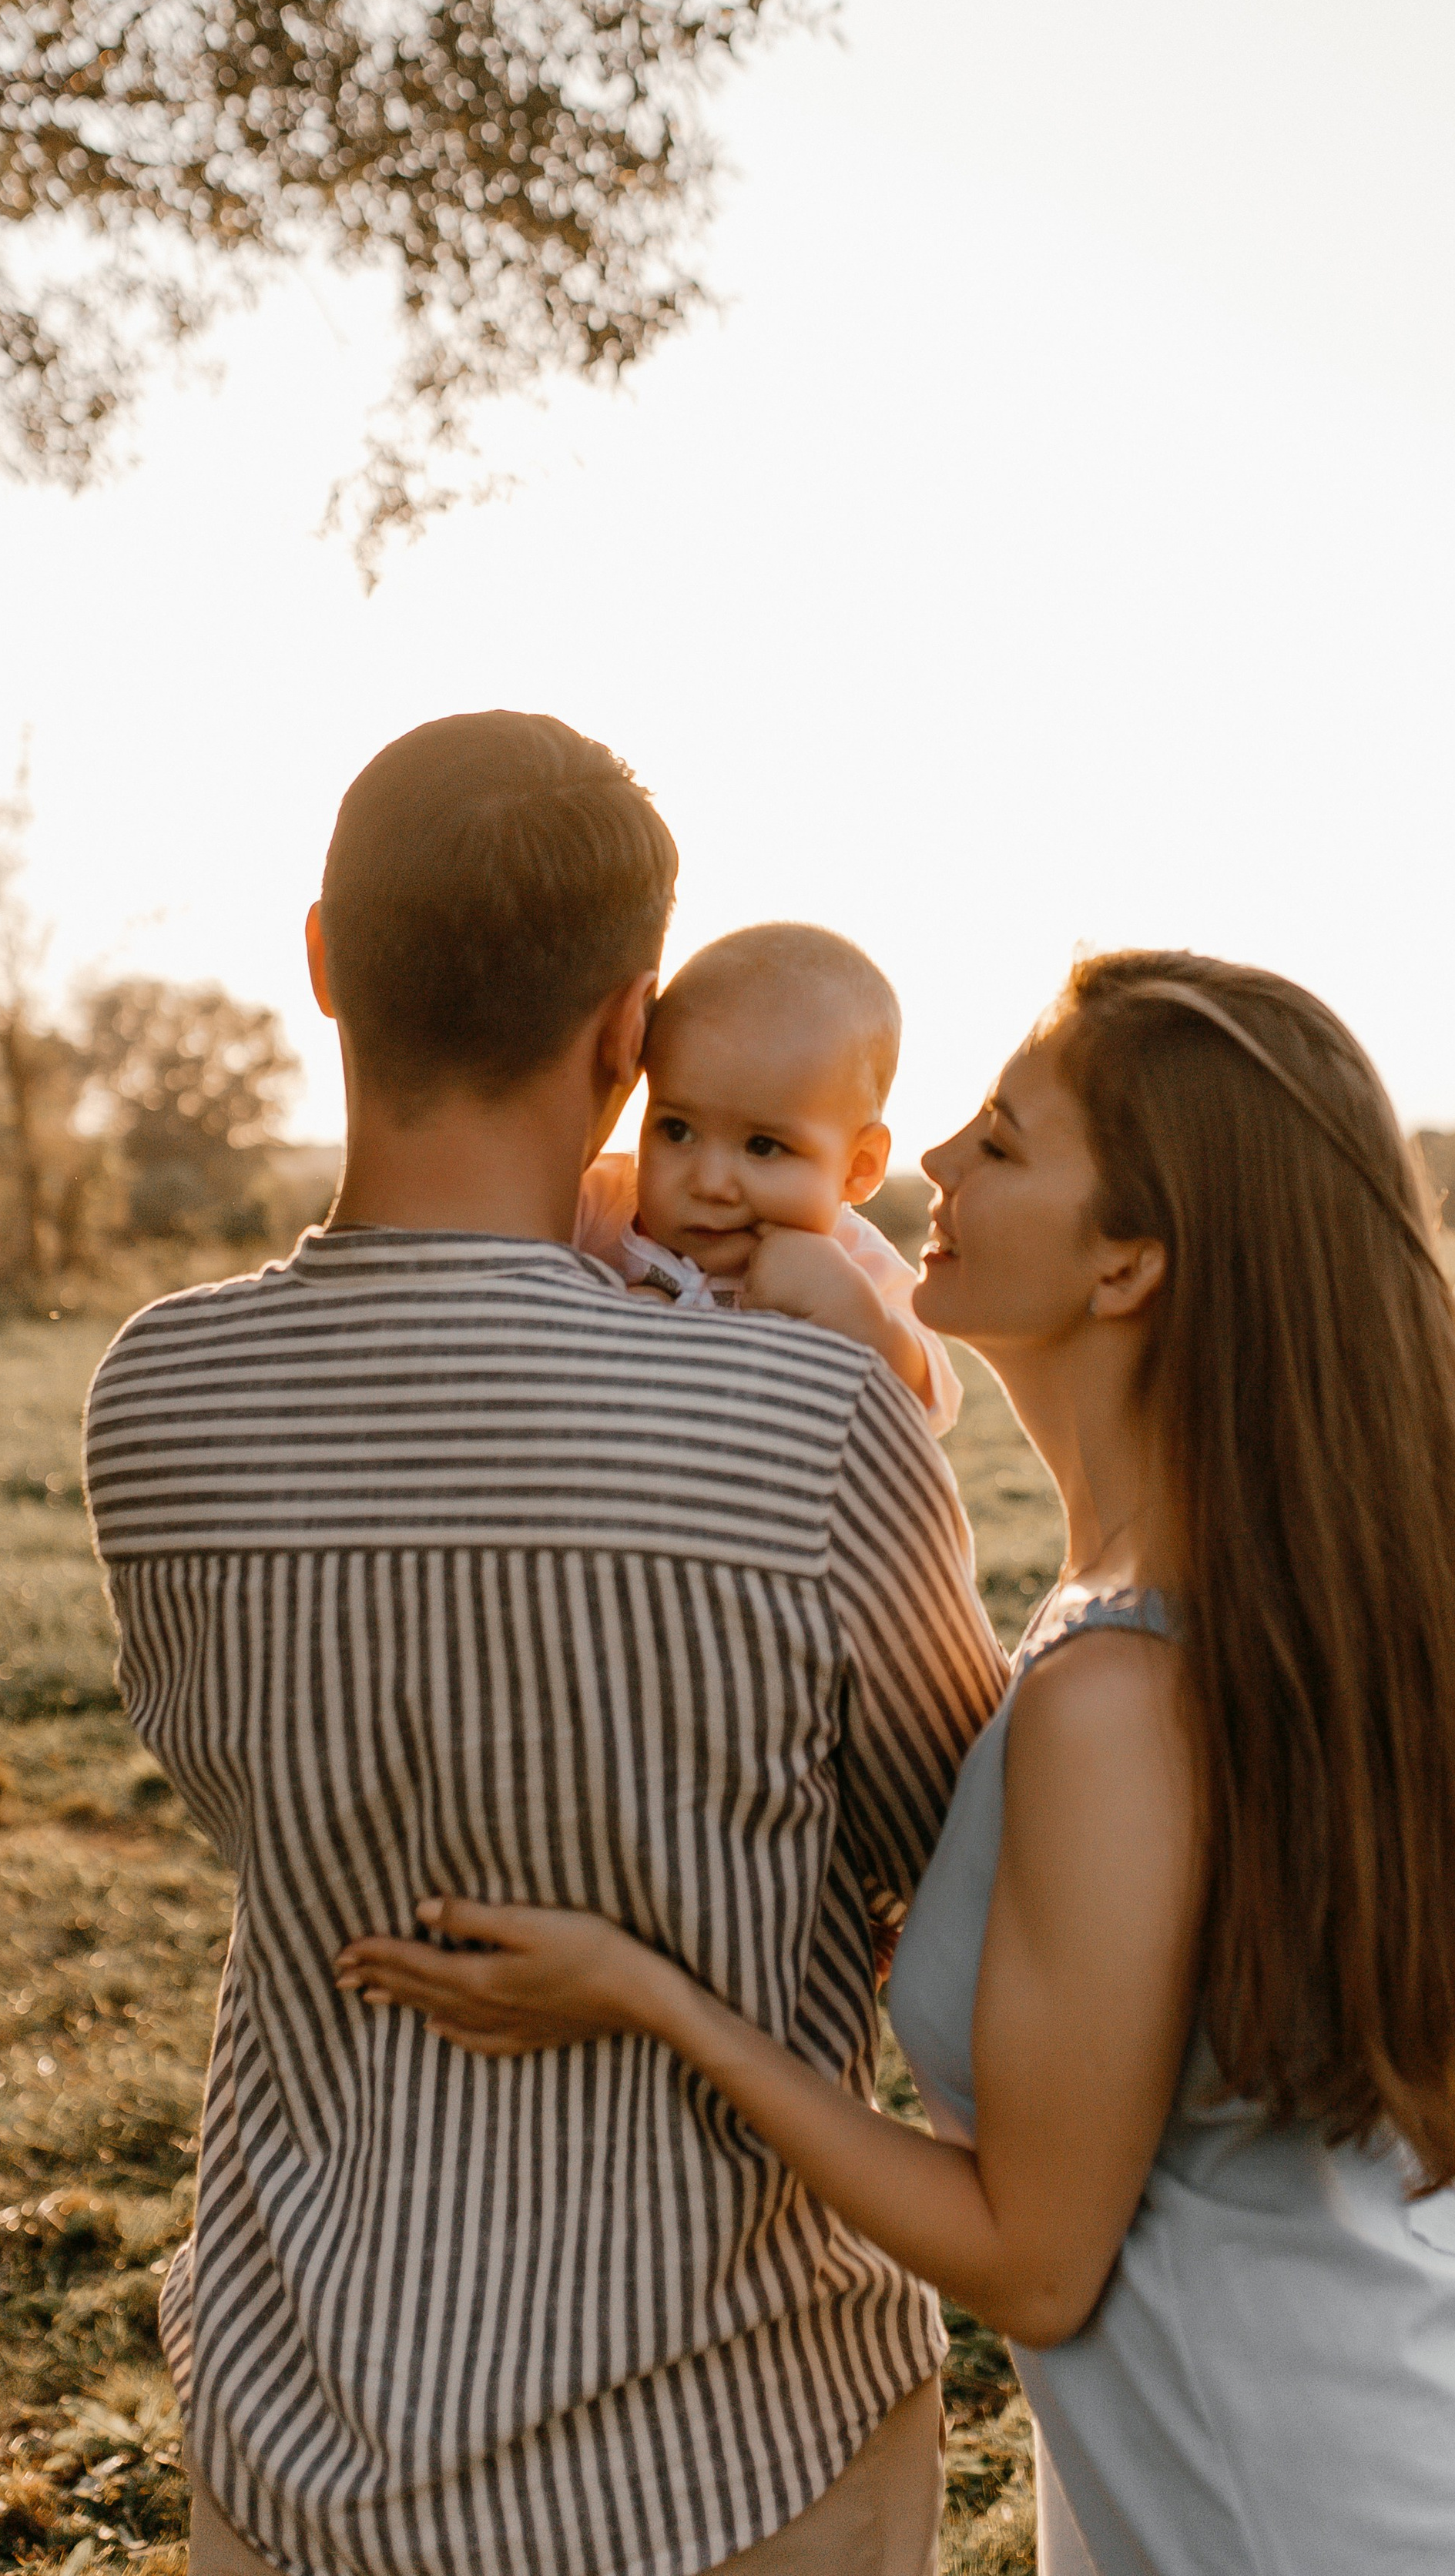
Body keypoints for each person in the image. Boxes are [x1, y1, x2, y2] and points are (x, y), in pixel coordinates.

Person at [343, 949, 1455, 2576]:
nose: (931, 1157)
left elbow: (1031, 2265)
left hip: (1291, 2521)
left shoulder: (1121, 1689)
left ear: (1129, 1259)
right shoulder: (1184, 1615)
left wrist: (642, 1994)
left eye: (1001, 1142)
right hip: (1326, 2478)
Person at [81, 711, 1010, 2576]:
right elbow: (968, 1883)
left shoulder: (153, 1395)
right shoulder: (809, 1422)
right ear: (624, 1033)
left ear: (326, 959)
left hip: (298, 2420)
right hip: (735, 2438)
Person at [574, 920, 962, 1429]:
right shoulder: (599, 1206)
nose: (710, 1183)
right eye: (677, 1130)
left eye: (763, 1146)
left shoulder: (851, 1264)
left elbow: (933, 1403)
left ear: (859, 1167)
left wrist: (856, 1317)